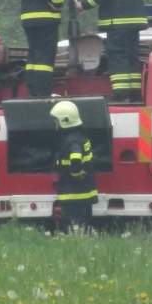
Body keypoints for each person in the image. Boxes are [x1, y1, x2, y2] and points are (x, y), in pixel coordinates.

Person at [50, 99, 97, 232]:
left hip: (74, 192)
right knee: (85, 221)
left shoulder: (72, 141)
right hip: (84, 191)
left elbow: (76, 160)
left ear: (65, 121)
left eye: (56, 121)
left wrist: (76, 174)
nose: (55, 123)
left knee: (75, 222)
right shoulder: (80, 137)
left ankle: (77, 237)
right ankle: (83, 234)